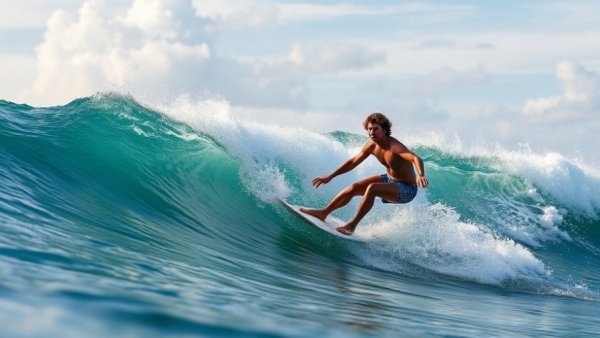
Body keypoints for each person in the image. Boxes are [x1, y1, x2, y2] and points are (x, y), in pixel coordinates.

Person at [300, 112, 429, 235]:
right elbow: (353, 162)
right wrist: (330, 176)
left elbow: (415, 158)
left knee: (372, 189)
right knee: (353, 188)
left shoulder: (394, 146)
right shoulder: (371, 146)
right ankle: (324, 212)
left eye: (375, 129)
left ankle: (352, 226)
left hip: (407, 189)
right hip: (390, 179)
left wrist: (421, 174)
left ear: (384, 130)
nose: (371, 132)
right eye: (369, 129)